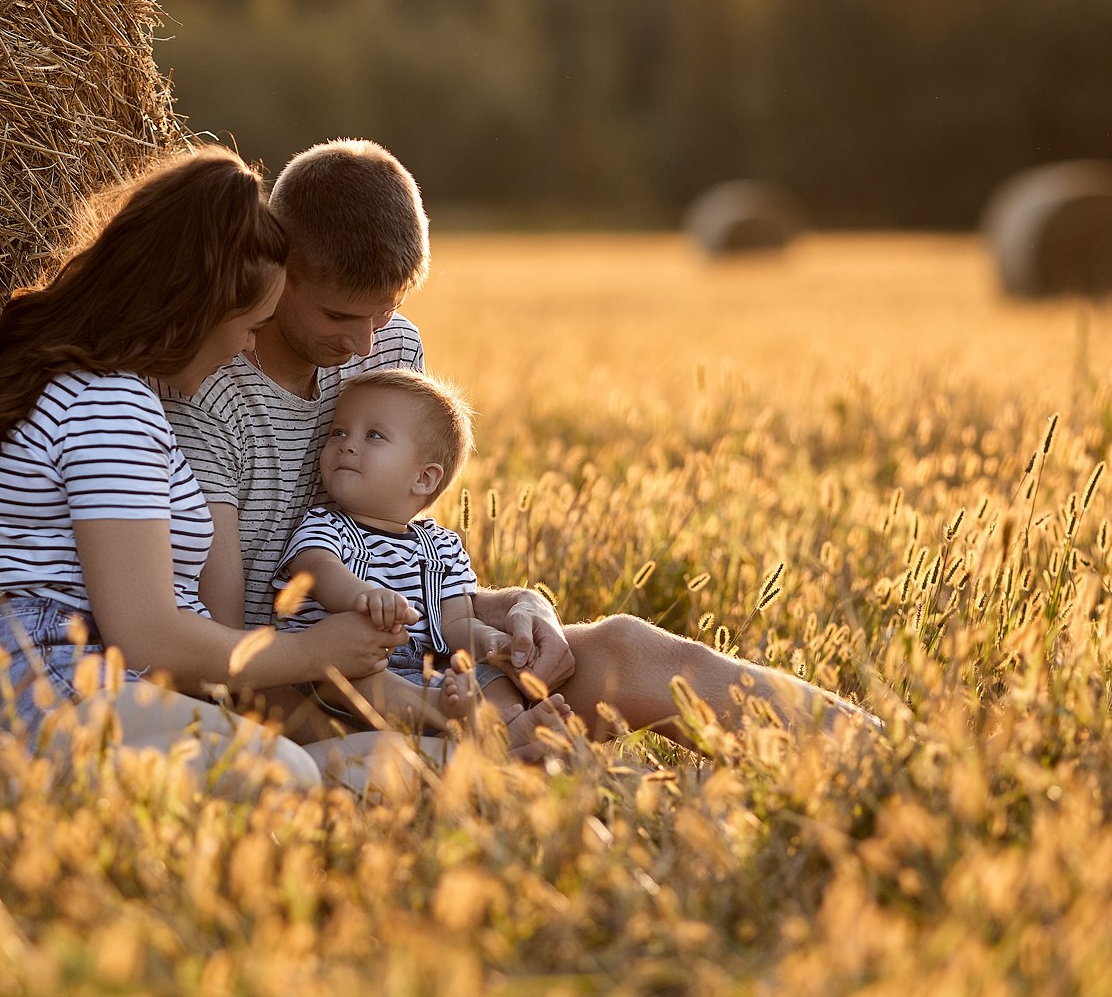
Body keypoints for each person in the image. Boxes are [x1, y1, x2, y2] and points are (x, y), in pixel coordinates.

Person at [164, 139, 871, 747]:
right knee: (471, 740)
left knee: (623, 646)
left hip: (426, 664)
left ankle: (891, 758)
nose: (365, 344)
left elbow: (404, 551)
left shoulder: (387, 348)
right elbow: (226, 641)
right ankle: (490, 757)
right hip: (300, 689)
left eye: (389, 311)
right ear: (278, 266)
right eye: (341, 314)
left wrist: (513, 611)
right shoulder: (214, 388)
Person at [0, 147, 412, 788]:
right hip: (45, 686)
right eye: (249, 325)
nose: (249, 347)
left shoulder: (110, 393)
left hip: (102, 684)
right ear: (192, 310)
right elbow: (148, 632)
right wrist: (312, 650)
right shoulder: (107, 405)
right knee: (288, 780)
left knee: (384, 773)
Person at [268, 369, 548, 735]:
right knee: (355, 678)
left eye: (373, 435)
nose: (346, 444)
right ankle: (442, 714)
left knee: (495, 677)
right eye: (339, 431)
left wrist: (490, 641)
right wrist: (363, 596)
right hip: (340, 669)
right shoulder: (325, 525)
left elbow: (456, 623)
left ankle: (501, 724)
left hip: (423, 671)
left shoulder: (442, 547)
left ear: (423, 478)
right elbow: (318, 571)